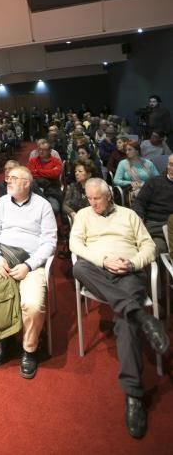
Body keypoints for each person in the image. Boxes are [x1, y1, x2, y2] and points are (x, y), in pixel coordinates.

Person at [70, 178, 170, 439]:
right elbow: (75, 245)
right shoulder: (83, 215)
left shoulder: (128, 215)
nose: (92, 203)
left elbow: (149, 246)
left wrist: (133, 263)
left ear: (108, 197)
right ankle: (143, 318)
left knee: (124, 321)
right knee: (78, 267)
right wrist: (103, 260)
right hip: (98, 271)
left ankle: (134, 395)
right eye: (89, 199)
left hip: (128, 274)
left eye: (97, 199)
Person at [0, 166, 56, 379]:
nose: (8, 180)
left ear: (27, 183)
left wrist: (30, 265)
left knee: (33, 305)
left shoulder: (43, 206)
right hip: (3, 257)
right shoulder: (1, 203)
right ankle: (3, 339)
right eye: (8, 177)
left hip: (30, 261)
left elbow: (50, 242)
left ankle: (29, 349)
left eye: (14, 178)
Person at [131, 154, 173, 256]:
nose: (172, 169)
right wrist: (139, 217)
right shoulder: (154, 182)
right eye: (171, 165)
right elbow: (139, 202)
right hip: (156, 225)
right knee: (157, 248)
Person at [28, 140, 63, 215]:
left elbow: (56, 174)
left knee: (54, 208)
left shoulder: (56, 161)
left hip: (52, 191)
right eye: (39, 150)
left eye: (44, 150)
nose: (40, 152)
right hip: (35, 192)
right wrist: (49, 172)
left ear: (50, 151)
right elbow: (30, 174)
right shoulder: (33, 161)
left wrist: (38, 171)